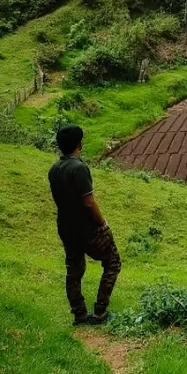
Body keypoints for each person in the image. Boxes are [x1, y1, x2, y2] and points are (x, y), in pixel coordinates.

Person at [47, 125, 121, 326]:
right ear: (79, 143)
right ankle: (100, 312)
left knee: (74, 269)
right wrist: (102, 223)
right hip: (86, 229)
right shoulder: (79, 168)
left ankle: (79, 314)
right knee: (113, 261)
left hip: (65, 227)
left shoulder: (54, 169)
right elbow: (88, 202)